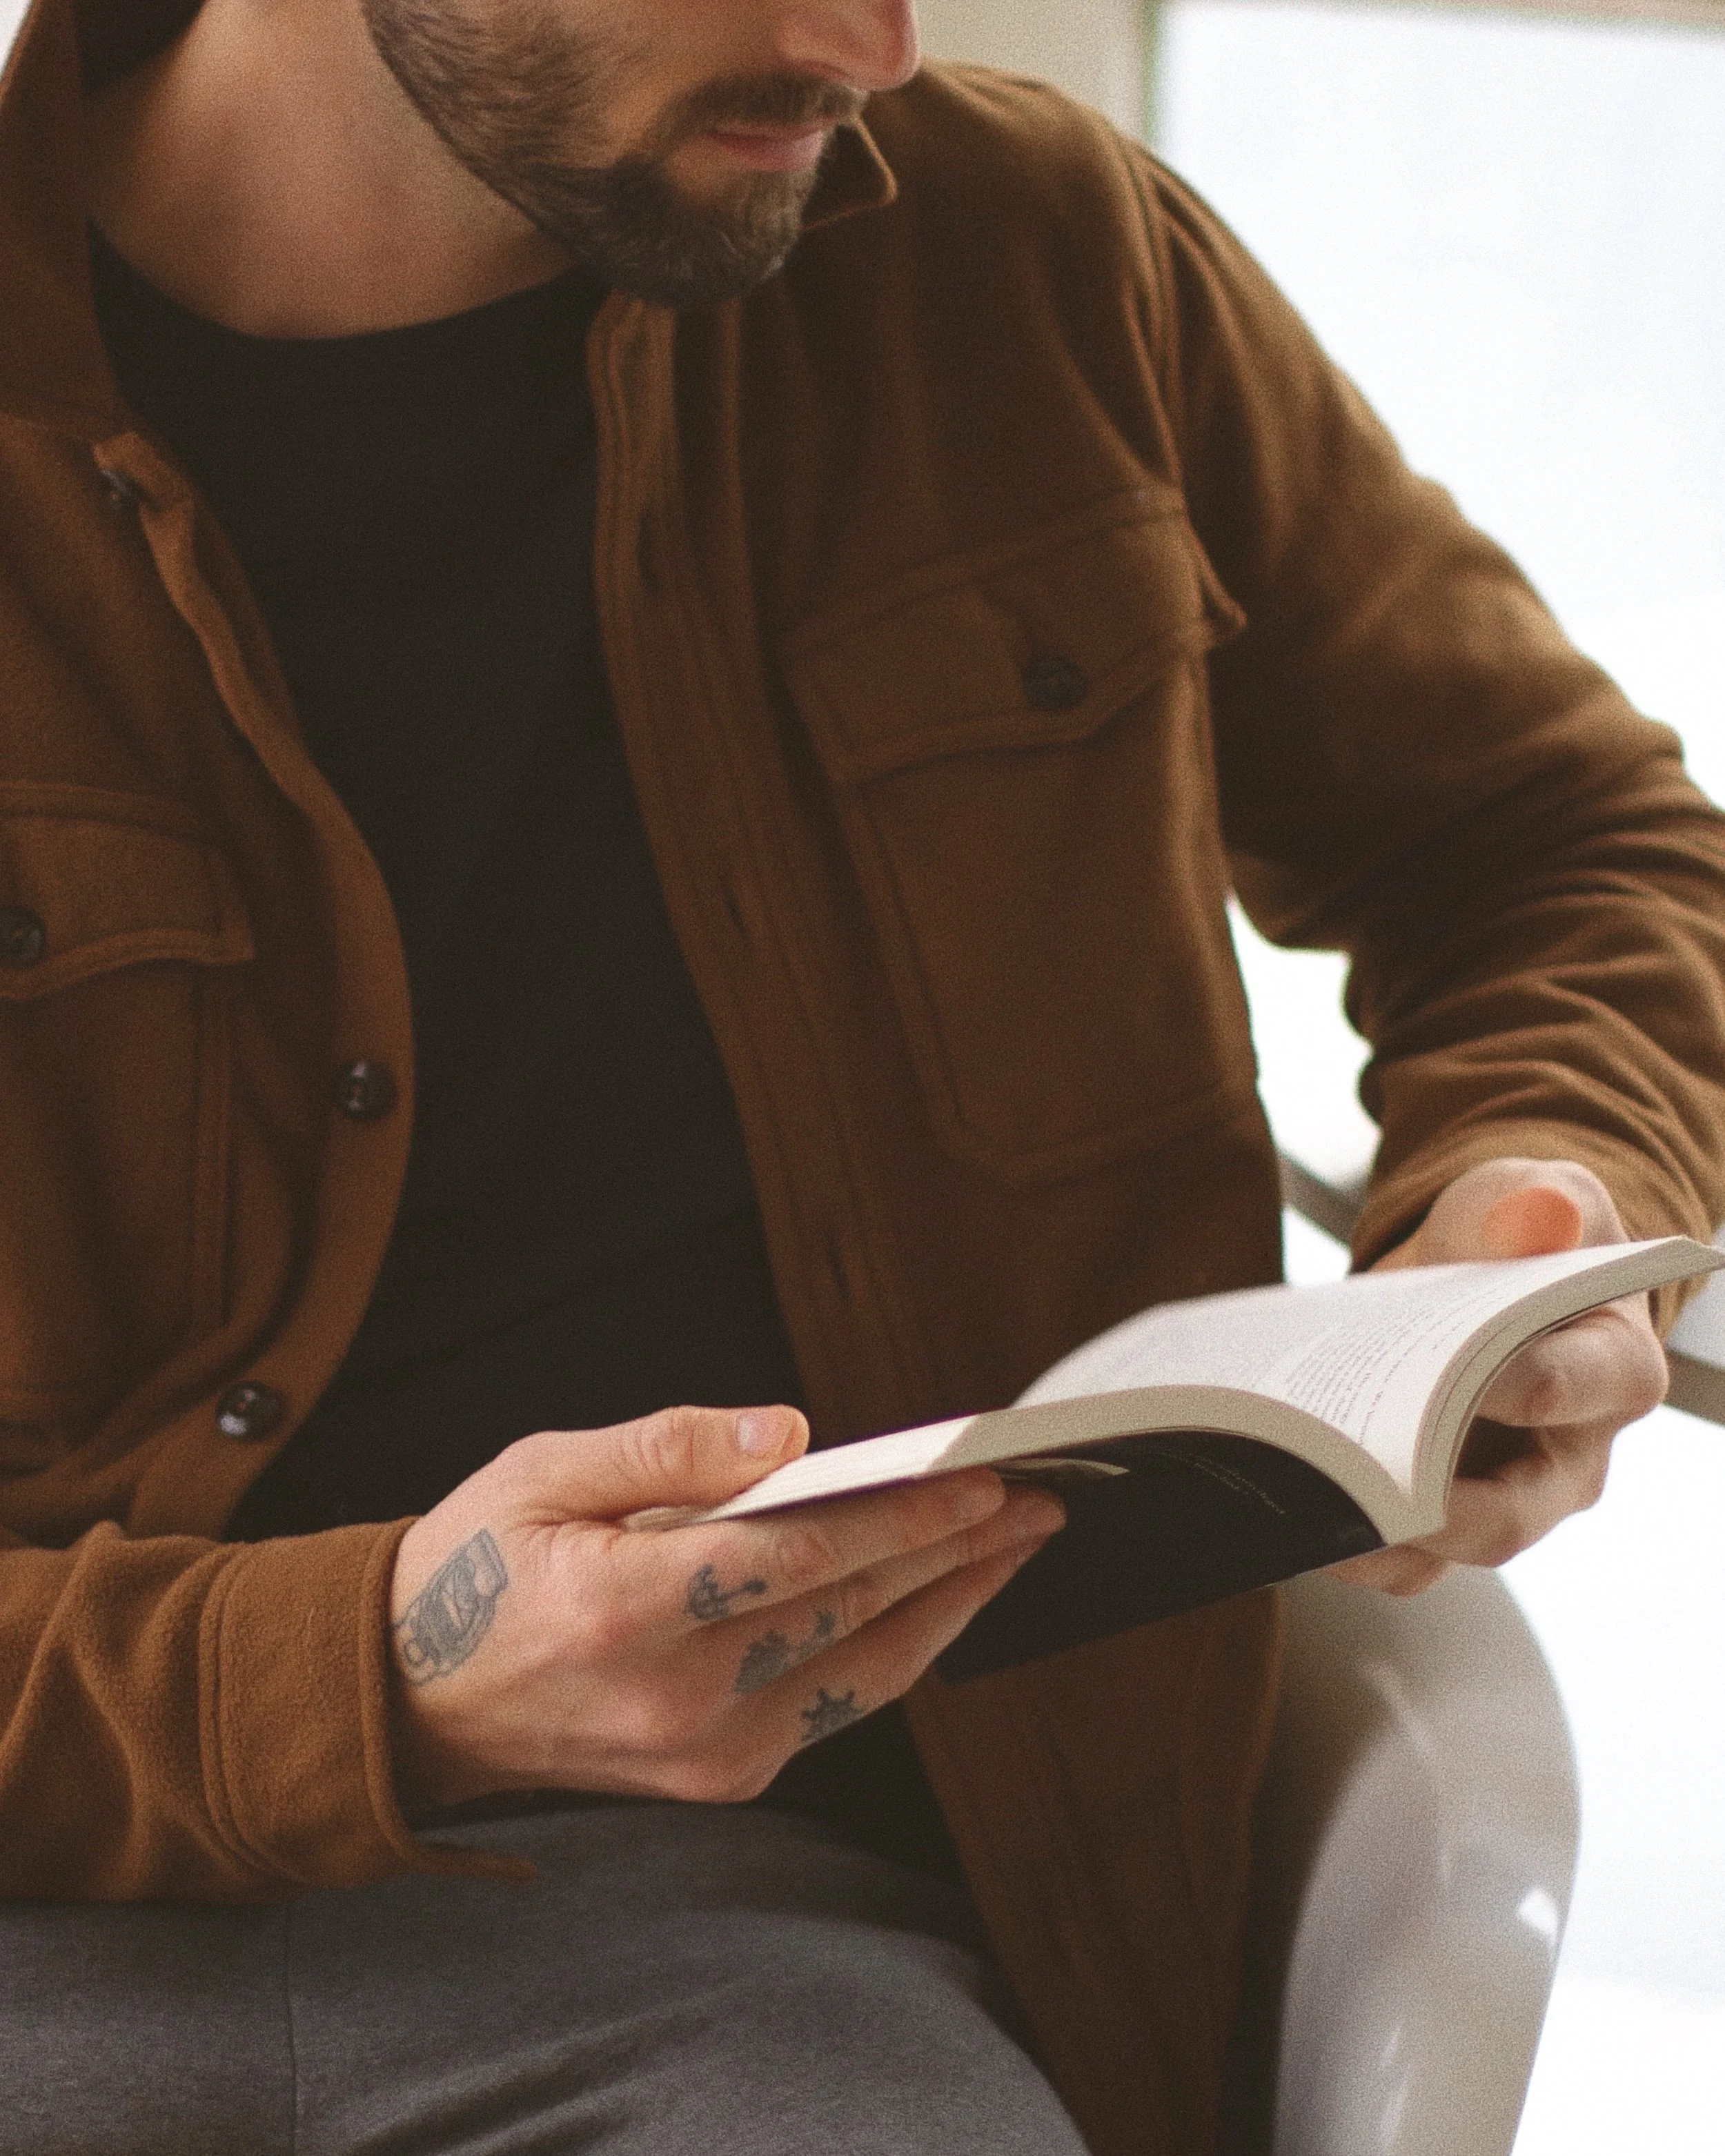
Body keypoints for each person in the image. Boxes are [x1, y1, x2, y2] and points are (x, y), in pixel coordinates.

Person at [0, 0, 1719, 2150]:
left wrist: (1537, 1178)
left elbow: (1555, 839)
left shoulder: (1026, 267)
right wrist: (380, 1674)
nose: (875, 44)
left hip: (785, 1957)